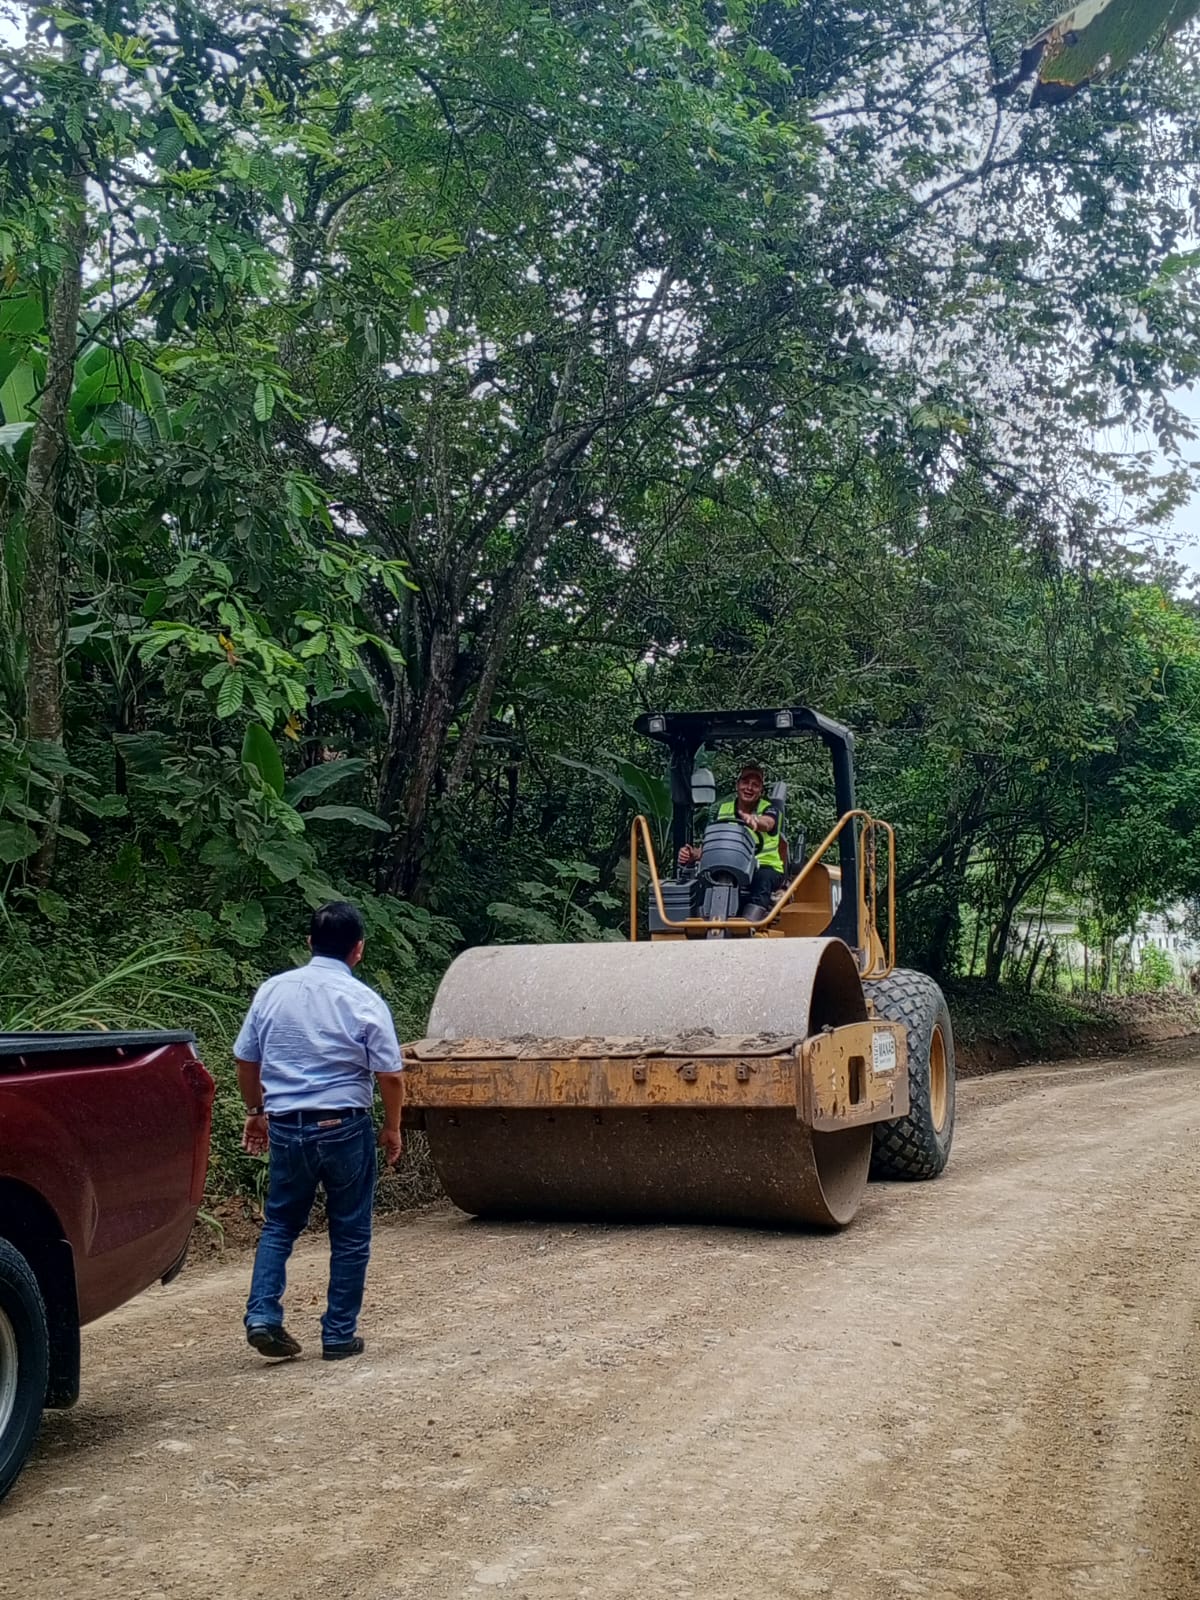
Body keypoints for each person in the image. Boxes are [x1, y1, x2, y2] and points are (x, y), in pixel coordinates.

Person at [234, 900, 404, 1362]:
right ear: (358, 950)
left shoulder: (272, 991)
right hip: (345, 1126)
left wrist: (256, 1111)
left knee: (280, 1224)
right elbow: (390, 1075)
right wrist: (392, 1127)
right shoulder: (364, 1000)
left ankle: (262, 1314)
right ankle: (338, 1335)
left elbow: (246, 1059)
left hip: (287, 1126)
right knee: (350, 1231)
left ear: (309, 942)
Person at [677, 762, 784, 918]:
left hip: (764, 866)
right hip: (729, 865)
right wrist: (692, 854)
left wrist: (754, 820)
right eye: (745, 782)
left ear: (761, 790)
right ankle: (702, 921)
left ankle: (751, 923)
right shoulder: (722, 809)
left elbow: (768, 823)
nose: (749, 788)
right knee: (703, 879)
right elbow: (710, 844)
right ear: (737, 785)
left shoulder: (770, 809)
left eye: (755, 785)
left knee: (762, 880)